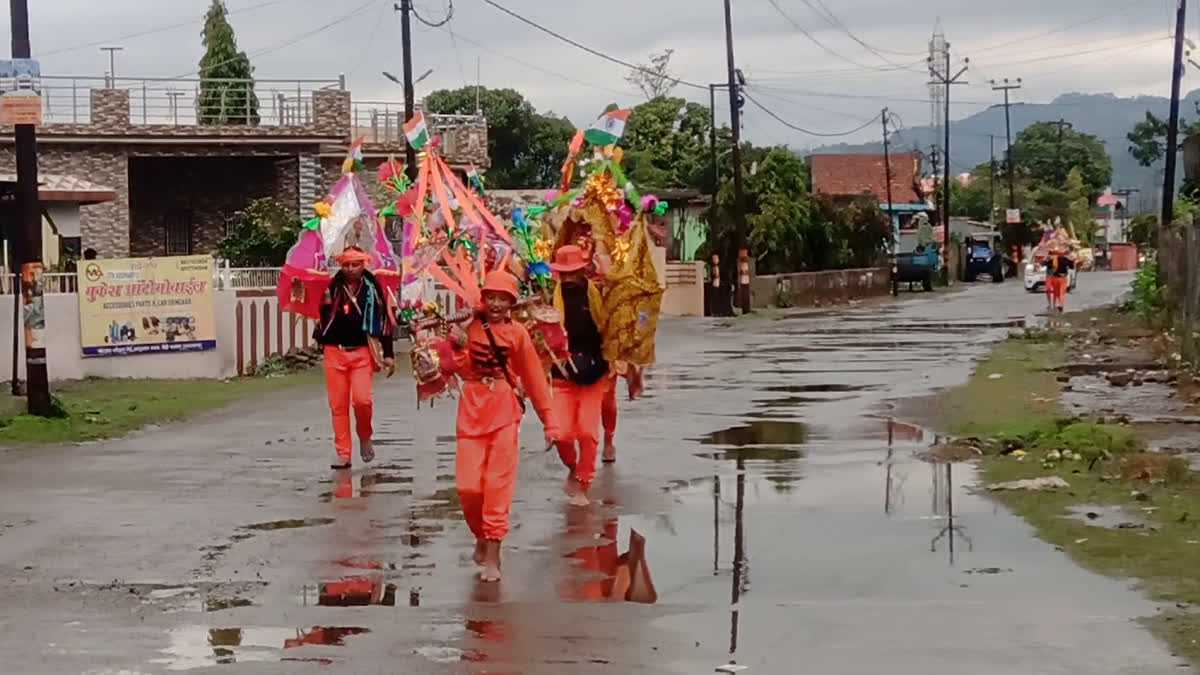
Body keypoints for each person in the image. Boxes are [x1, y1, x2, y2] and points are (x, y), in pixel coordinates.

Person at [448, 269, 560, 583]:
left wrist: (550, 421)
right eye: (491, 297)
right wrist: (457, 347)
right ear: (483, 298)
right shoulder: (467, 326)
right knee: (468, 487)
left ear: (511, 303)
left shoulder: (518, 334)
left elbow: (535, 380)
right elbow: (456, 370)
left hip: (504, 412)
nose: (496, 303)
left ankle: (494, 554)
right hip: (471, 410)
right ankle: (481, 536)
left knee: (497, 486)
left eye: (503, 299)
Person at [314, 246, 395, 470]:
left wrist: (388, 354)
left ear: (364, 264)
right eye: (346, 264)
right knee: (338, 406)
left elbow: (385, 320)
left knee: (362, 400)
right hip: (333, 351)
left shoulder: (374, 287)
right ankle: (343, 453)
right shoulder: (330, 286)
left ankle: (365, 435)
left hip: (361, 352)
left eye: (355, 264)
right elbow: (317, 309)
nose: (350, 269)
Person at [550, 245, 610, 507]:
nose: (569, 279)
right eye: (564, 274)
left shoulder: (598, 294)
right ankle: (573, 467)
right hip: (562, 374)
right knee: (561, 434)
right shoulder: (550, 298)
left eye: (574, 272)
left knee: (587, 432)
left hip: (594, 373)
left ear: (583, 270)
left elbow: (613, 326)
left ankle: (584, 483)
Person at [1044, 248, 1074, 313]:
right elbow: (1047, 265)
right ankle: (1056, 304)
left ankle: (1061, 305)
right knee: (1057, 293)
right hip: (1055, 278)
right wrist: (1048, 259)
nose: (1061, 253)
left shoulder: (1066, 259)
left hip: (1063, 278)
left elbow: (1071, 267)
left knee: (1062, 292)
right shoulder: (1054, 259)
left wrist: (1072, 260)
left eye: (1062, 252)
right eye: (1059, 252)